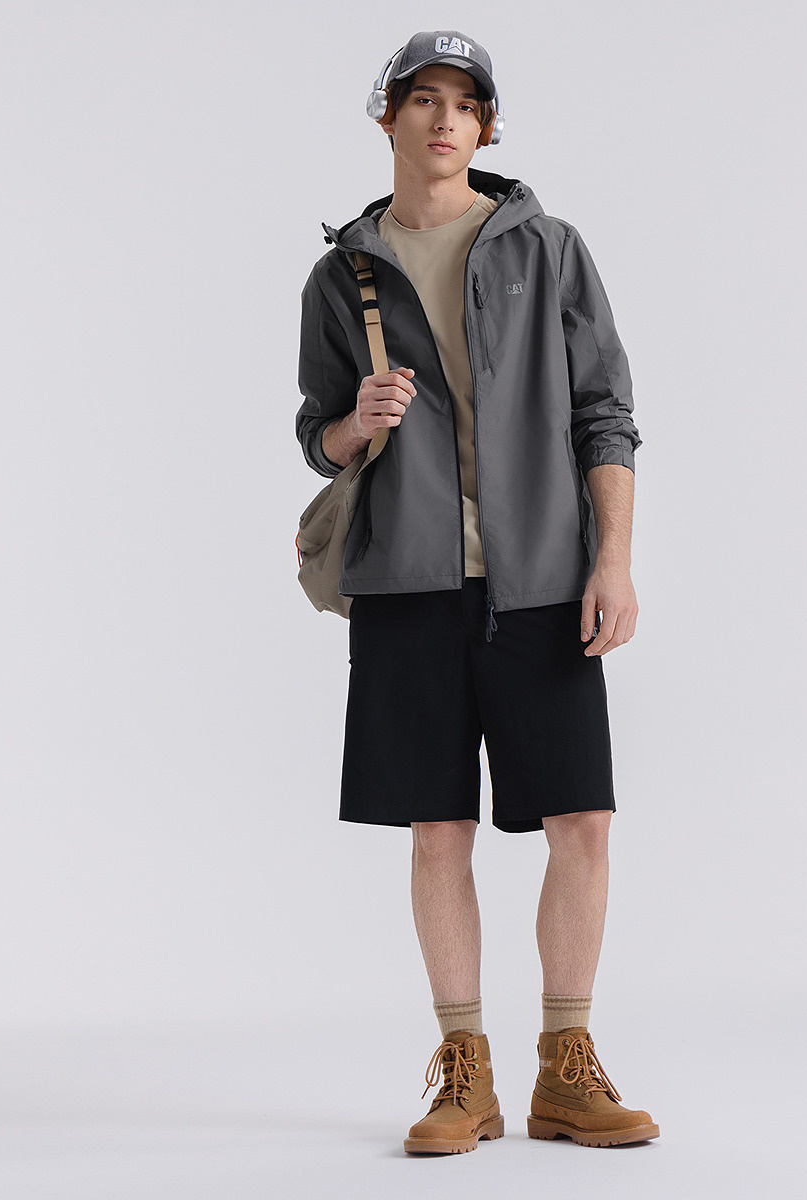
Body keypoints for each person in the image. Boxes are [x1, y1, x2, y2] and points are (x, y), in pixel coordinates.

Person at [295, 30, 656, 1154]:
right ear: (389, 117)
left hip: (543, 576)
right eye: (424, 99)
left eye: (465, 103)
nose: (444, 118)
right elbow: (316, 432)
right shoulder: (343, 273)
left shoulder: (548, 248)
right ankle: (465, 1072)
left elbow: (605, 412)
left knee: (581, 820)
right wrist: (356, 423)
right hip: (408, 581)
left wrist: (611, 560)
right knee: (437, 827)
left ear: (486, 127)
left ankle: (566, 1065)